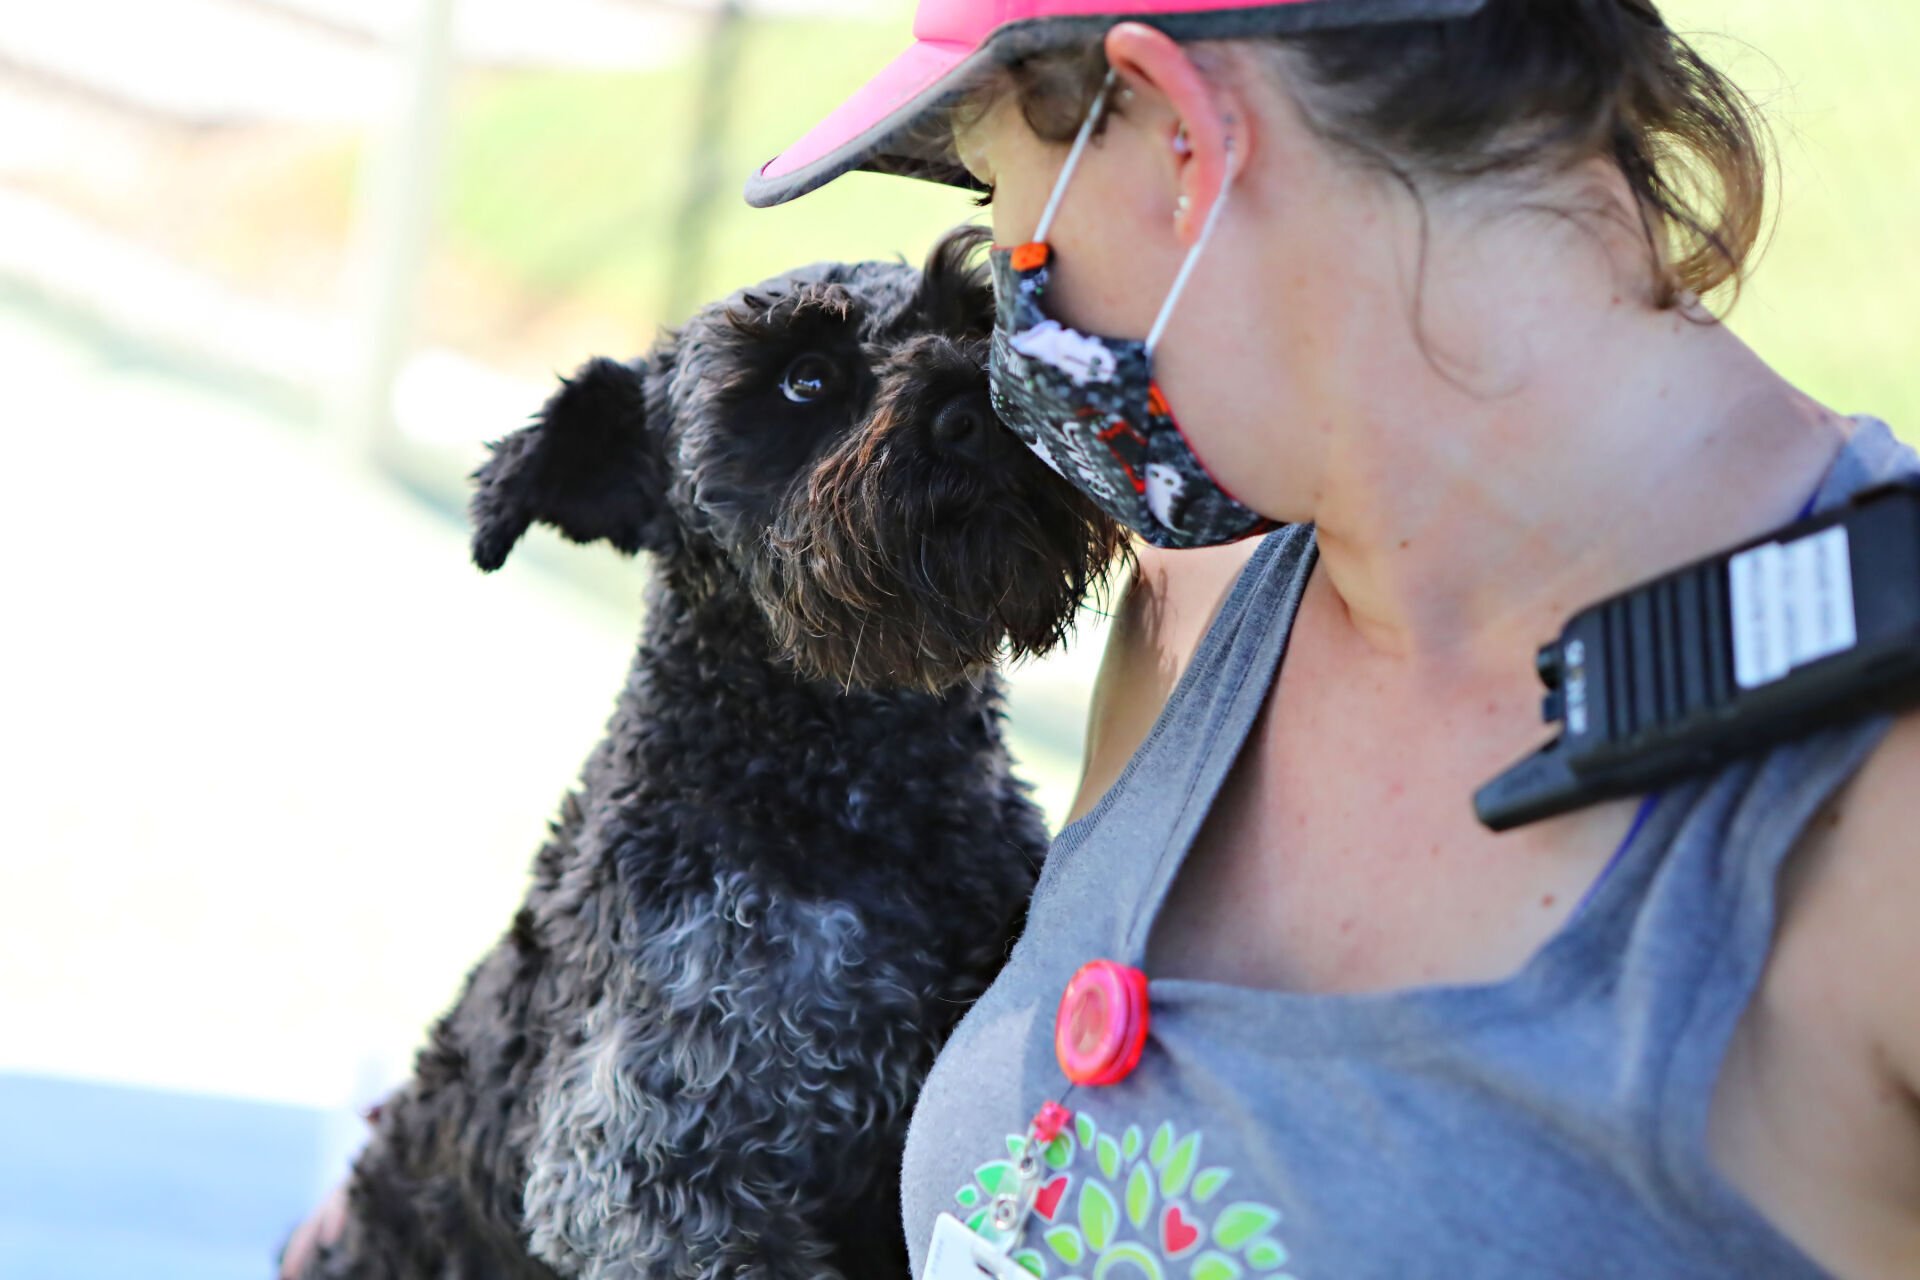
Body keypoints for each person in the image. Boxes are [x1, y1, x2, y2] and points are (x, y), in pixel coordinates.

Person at [745, 1, 1920, 1276]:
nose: (1014, 281)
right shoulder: (1200, 599)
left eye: (996, 196)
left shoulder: (1882, 791)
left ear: (1183, 138)